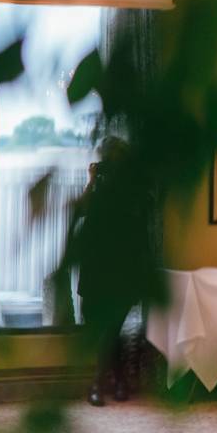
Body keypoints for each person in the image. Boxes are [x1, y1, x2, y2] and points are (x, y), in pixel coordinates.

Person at [70, 136, 154, 407]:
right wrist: (93, 181)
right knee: (100, 323)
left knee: (112, 325)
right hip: (96, 263)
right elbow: (80, 211)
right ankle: (117, 379)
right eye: (107, 158)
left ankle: (98, 381)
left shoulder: (137, 186)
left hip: (124, 264)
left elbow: (143, 220)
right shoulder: (99, 185)